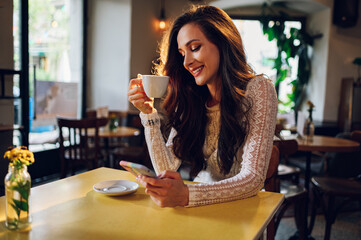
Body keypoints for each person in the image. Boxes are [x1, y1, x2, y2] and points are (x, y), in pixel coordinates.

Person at [127, 5, 278, 207]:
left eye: (195, 48)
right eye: (181, 54)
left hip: (238, 210)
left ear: (222, 43)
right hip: (195, 205)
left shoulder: (259, 89)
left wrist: (188, 194)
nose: (187, 62)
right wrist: (148, 115)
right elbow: (167, 168)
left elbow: (252, 179)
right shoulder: (191, 97)